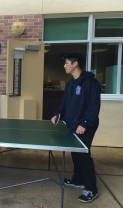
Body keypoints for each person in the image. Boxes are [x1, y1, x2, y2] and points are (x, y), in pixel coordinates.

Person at [51, 53, 101, 203]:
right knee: (75, 153)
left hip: (86, 126)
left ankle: (92, 189)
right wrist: (57, 114)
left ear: (75, 64)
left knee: (83, 156)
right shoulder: (70, 84)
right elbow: (65, 104)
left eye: (66, 63)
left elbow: (93, 107)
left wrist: (84, 123)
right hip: (73, 125)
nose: (64, 66)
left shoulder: (91, 83)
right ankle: (78, 179)